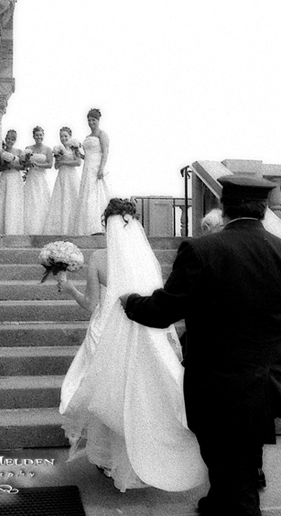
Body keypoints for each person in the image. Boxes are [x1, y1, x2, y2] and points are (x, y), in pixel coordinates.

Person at [121, 176, 281, 516]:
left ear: (224, 208)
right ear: (264, 209)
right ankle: (218, 502)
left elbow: (163, 312)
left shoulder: (202, 250)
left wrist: (130, 302)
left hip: (218, 383)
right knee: (242, 461)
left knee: (231, 469)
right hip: (269, 380)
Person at [58, 198, 206, 493]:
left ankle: (110, 460)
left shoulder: (99, 257)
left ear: (105, 224)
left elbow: (91, 305)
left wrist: (69, 285)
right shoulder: (146, 258)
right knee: (137, 393)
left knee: (108, 394)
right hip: (144, 332)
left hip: (106, 333)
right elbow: (158, 303)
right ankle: (143, 456)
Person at [73, 108, 110, 235]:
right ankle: (86, 227)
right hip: (87, 168)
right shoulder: (88, 137)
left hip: (96, 167)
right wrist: (79, 154)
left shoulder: (102, 134)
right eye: (89, 120)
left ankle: (98, 226)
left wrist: (101, 169)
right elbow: (87, 156)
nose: (91, 122)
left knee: (95, 196)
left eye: (93, 120)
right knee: (87, 195)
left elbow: (105, 152)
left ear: (98, 120)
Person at [43, 127, 82, 235]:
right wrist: (59, 160)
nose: (63, 138)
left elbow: (78, 162)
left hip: (71, 175)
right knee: (61, 200)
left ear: (70, 136)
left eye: (65, 136)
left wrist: (64, 162)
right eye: (61, 136)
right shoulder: (58, 149)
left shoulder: (74, 147)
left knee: (72, 199)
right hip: (62, 175)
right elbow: (56, 166)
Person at [0, 129, 25, 235]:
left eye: (12, 139)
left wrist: (14, 166)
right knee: (1, 201)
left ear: (15, 140)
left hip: (15, 178)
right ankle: (0, 229)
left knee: (14, 202)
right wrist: (6, 165)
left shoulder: (19, 152)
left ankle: (14, 229)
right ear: (5, 139)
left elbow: (23, 166)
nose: (10, 141)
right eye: (8, 139)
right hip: (5, 177)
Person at [23, 126, 53, 234]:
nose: (39, 137)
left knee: (42, 200)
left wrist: (39, 165)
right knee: (31, 201)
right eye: (37, 135)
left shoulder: (48, 149)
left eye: (40, 135)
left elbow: (50, 164)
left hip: (41, 177)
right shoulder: (28, 148)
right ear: (33, 136)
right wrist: (28, 163)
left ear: (43, 136)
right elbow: (24, 164)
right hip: (31, 177)